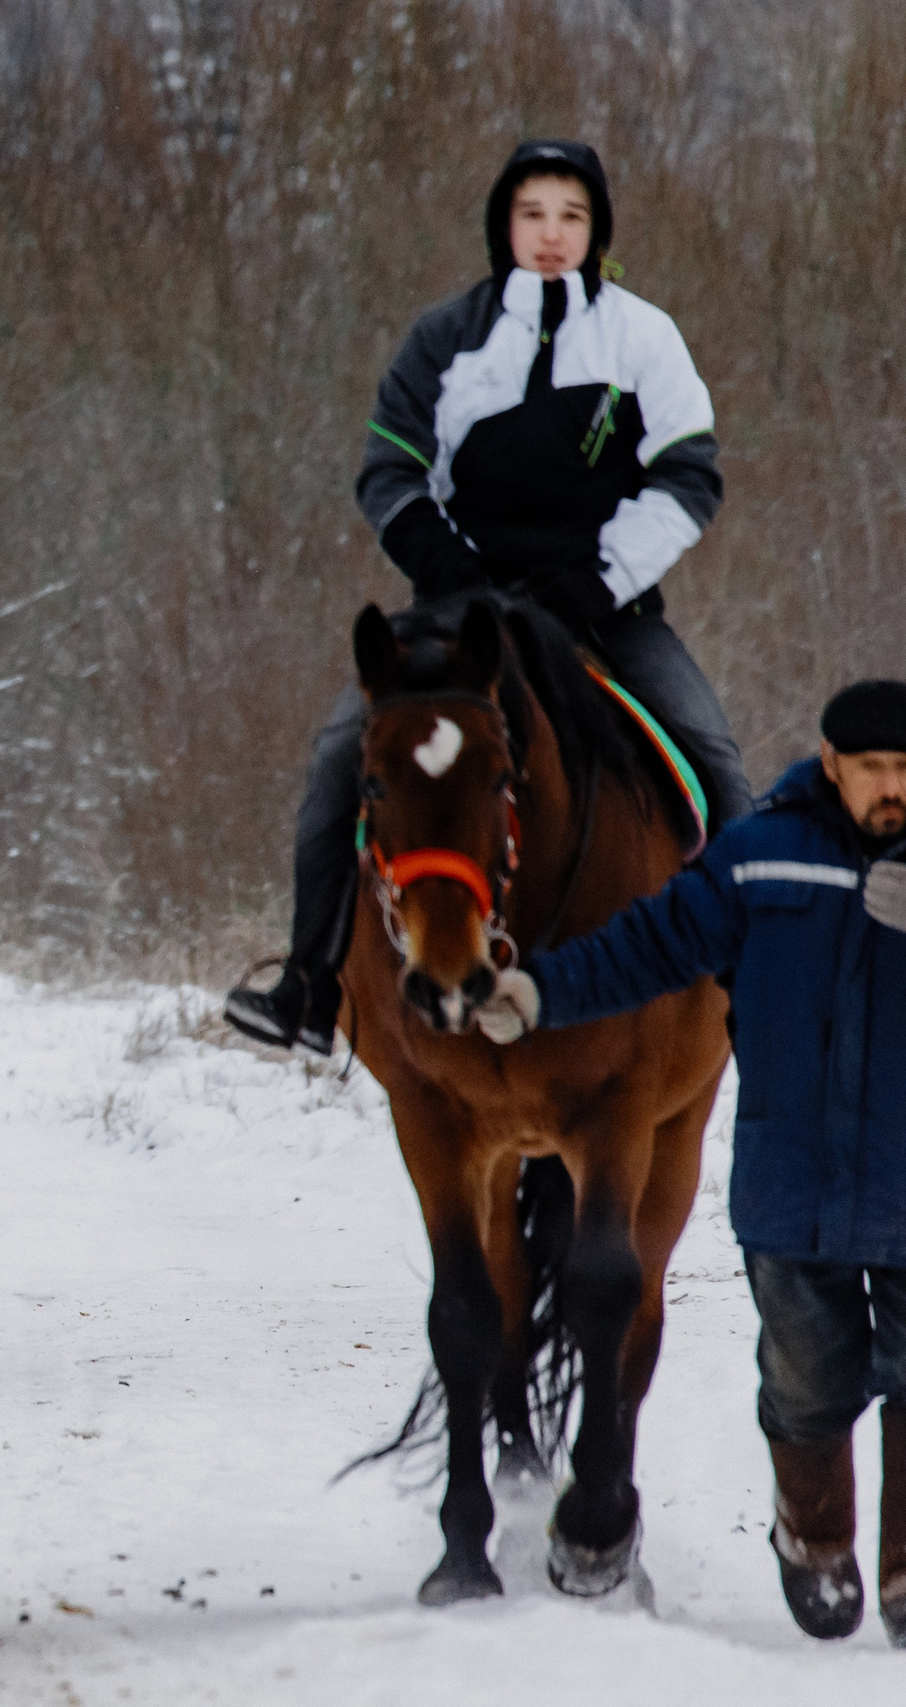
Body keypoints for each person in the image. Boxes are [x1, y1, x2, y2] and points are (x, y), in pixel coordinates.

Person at [226, 139, 749, 1054]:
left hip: (605, 610)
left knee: (716, 765)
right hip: (458, 612)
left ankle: (752, 986)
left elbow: (689, 479)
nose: (552, 235)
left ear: (597, 231)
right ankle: (307, 986)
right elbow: (390, 469)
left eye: (572, 217)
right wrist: (448, 565)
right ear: (504, 226)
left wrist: (596, 578)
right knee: (336, 764)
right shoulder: (444, 337)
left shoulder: (644, 337)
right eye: (533, 215)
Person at [475, 680, 906, 1645]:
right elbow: (649, 946)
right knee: (806, 1381)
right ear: (830, 764)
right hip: (792, 1191)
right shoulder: (759, 861)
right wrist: (540, 991)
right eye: (876, 768)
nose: (894, 789)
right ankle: (818, 1539)